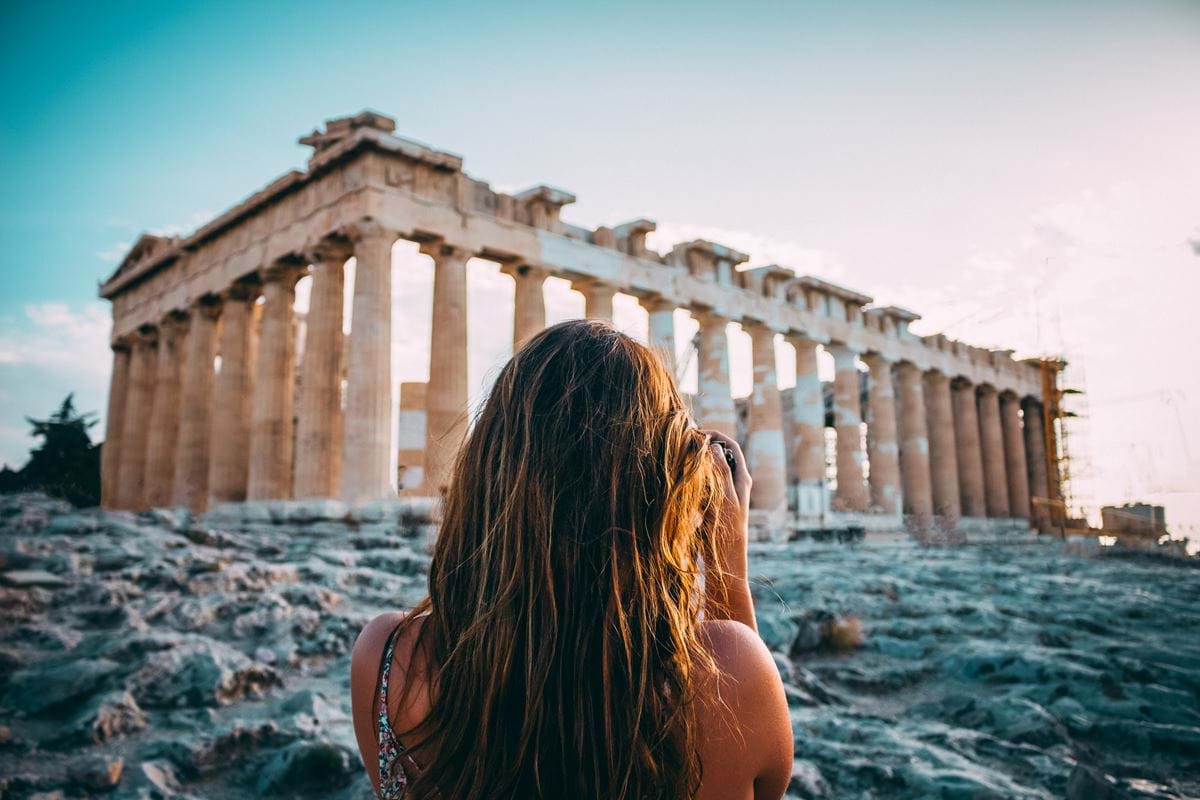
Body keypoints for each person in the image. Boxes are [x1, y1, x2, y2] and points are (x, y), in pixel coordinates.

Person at [350, 319, 792, 799]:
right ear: (663, 485)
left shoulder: (387, 658)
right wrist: (728, 559)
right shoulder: (730, 671)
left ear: (488, 464)